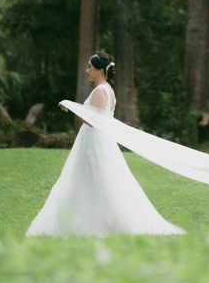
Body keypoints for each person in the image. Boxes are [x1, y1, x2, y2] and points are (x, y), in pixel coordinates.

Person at [27, 52, 184, 236]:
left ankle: (102, 221)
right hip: (96, 140)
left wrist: (71, 106)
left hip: (94, 141)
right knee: (90, 179)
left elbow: (93, 120)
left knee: (97, 179)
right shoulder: (107, 89)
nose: (87, 70)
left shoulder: (101, 90)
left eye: (90, 67)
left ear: (100, 70)